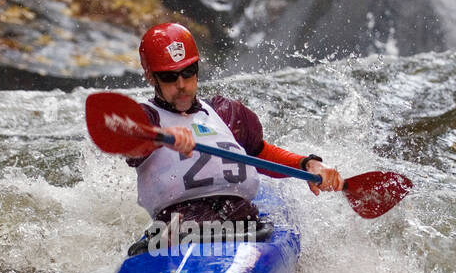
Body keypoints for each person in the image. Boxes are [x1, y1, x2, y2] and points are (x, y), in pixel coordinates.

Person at [126, 22, 343, 244]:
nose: (182, 84)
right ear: (151, 77)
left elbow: (260, 154)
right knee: (190, 222)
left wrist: (307, 164)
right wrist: (161, 136)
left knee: (239, 212)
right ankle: (171, 240)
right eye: (170, 77)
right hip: (179, 223)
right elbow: (128, 139)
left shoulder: (226, 113)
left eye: (188, 72)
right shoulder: (145, 116)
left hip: (242, 224)